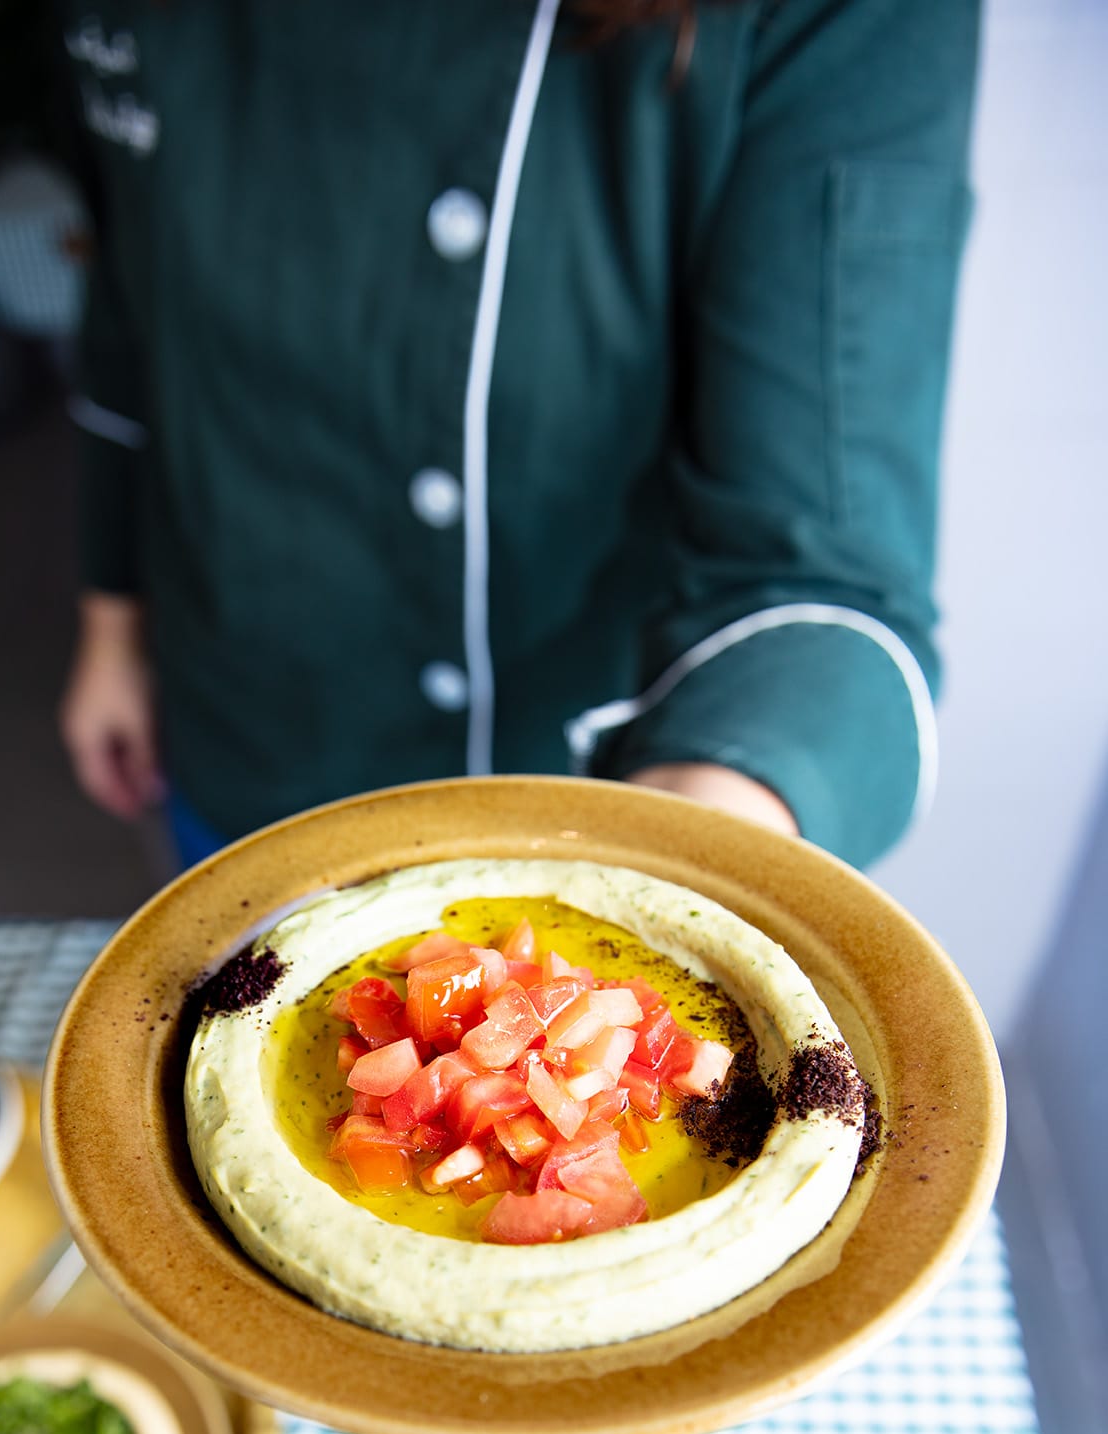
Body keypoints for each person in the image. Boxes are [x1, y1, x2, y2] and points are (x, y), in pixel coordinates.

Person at [58, 0, 979, 868]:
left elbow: (822, 564)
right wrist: (112, 622)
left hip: (574, 765)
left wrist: (693, 841)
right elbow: (132, 306)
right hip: (241, 705)